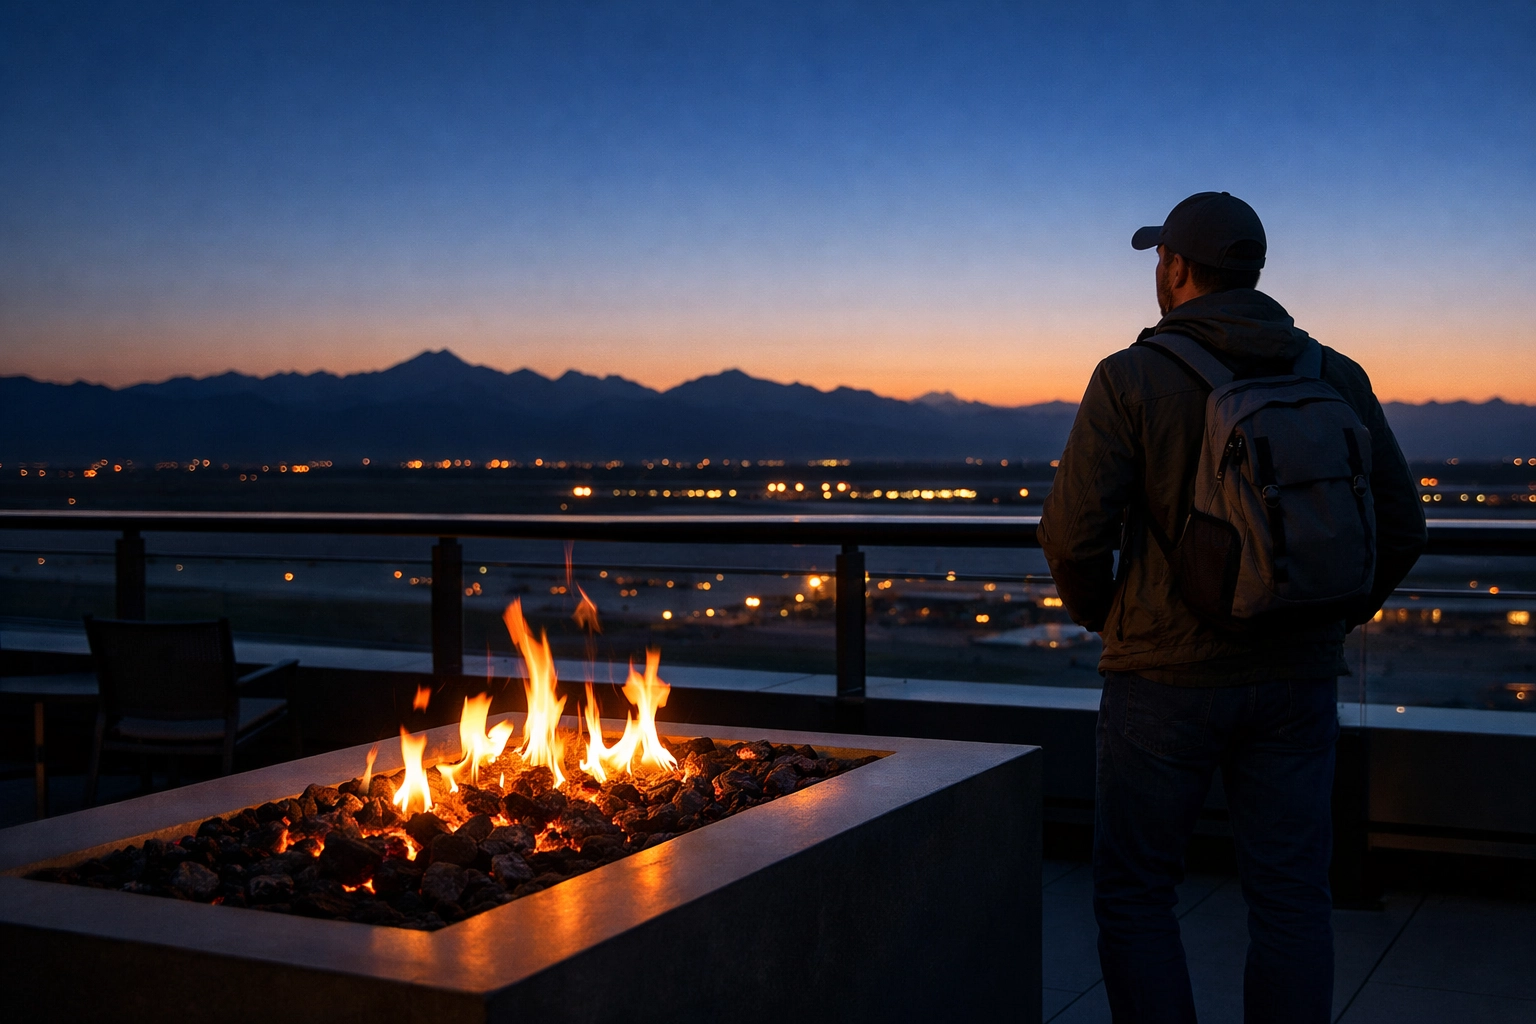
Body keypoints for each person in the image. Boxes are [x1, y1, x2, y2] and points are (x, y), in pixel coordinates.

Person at [1037, 192, 1425, 1024]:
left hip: (1164, 679)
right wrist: (1333, 619)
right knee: (1291, 898)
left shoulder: (1132, 375)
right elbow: (1403, 524)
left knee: (1138, 894)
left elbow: (1072, 535)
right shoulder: (1333, 374)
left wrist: (1114, 620)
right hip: (1298, 673)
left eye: (1159, 260)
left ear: (1174, 268)